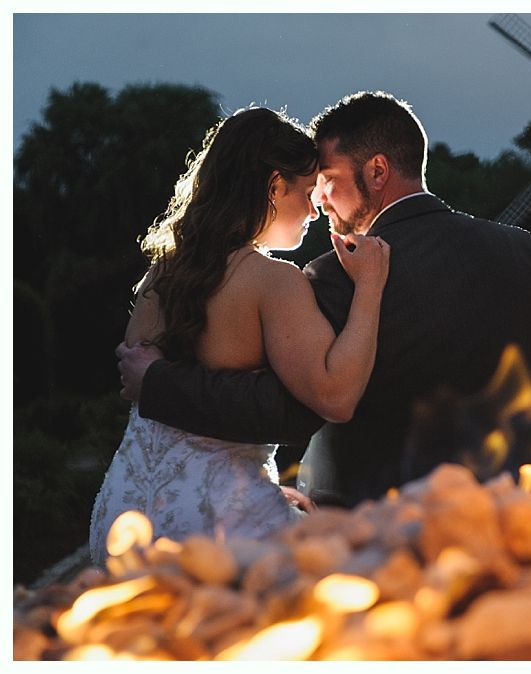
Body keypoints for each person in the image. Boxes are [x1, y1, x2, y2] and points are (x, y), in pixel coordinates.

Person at [117, 91, 531, 508]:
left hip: (375, 524)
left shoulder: (337, 276)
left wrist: (158, 382)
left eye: (327, 179)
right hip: (520, 512)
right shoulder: (523, 251)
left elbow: (284, 408)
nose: (319, 200)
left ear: (377, 171)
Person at [90, 107, 390, 563]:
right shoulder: (273, 281)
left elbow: (151, 396)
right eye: (308, 192)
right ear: (273, 187)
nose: (314, 209)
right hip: (218, 525)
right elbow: (335, 395)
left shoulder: (161, 273)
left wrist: (256, 484)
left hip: (123, 515)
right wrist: (370, 286)